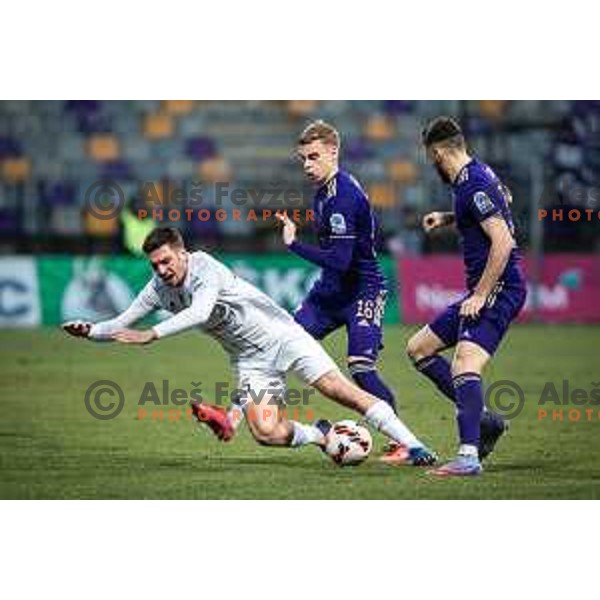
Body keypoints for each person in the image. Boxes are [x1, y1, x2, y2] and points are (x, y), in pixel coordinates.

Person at [63, 227, 436, 466]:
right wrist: (91, 331)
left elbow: (201, 312)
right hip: (249, 359)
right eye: (154, 265)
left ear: (182, 253)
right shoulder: (158, 288)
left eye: (165, 261)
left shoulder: (204, 267)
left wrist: (153, 335)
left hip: (281, 336)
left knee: (339, 390)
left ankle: (415, 445)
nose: (160, 270)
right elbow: (121, 321)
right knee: (265, 433)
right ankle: (323, 434)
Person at [276, 120, 405, 463]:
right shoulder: (324, 191)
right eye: (303, 158)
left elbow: (341, 259)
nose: (307, 165)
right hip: (330, 293)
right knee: (277, 344)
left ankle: (402, 442)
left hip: (363, 289)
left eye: (313, 157)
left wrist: (293, 245)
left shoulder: (342, 194)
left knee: (361, 367)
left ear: (334, 152)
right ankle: (237, 417)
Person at [408, 117, 526, 477]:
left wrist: (481, 294)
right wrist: (446, 218)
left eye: (432, 157)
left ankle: (468, 457)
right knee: (419, 349)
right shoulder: (476, 176)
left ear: (441, 151)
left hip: (499, 289)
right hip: (486, 290)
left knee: (464, 364)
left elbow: (503, 240)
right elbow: (501, 201)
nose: (433, 165)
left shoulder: (472, 181)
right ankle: (486, 422)